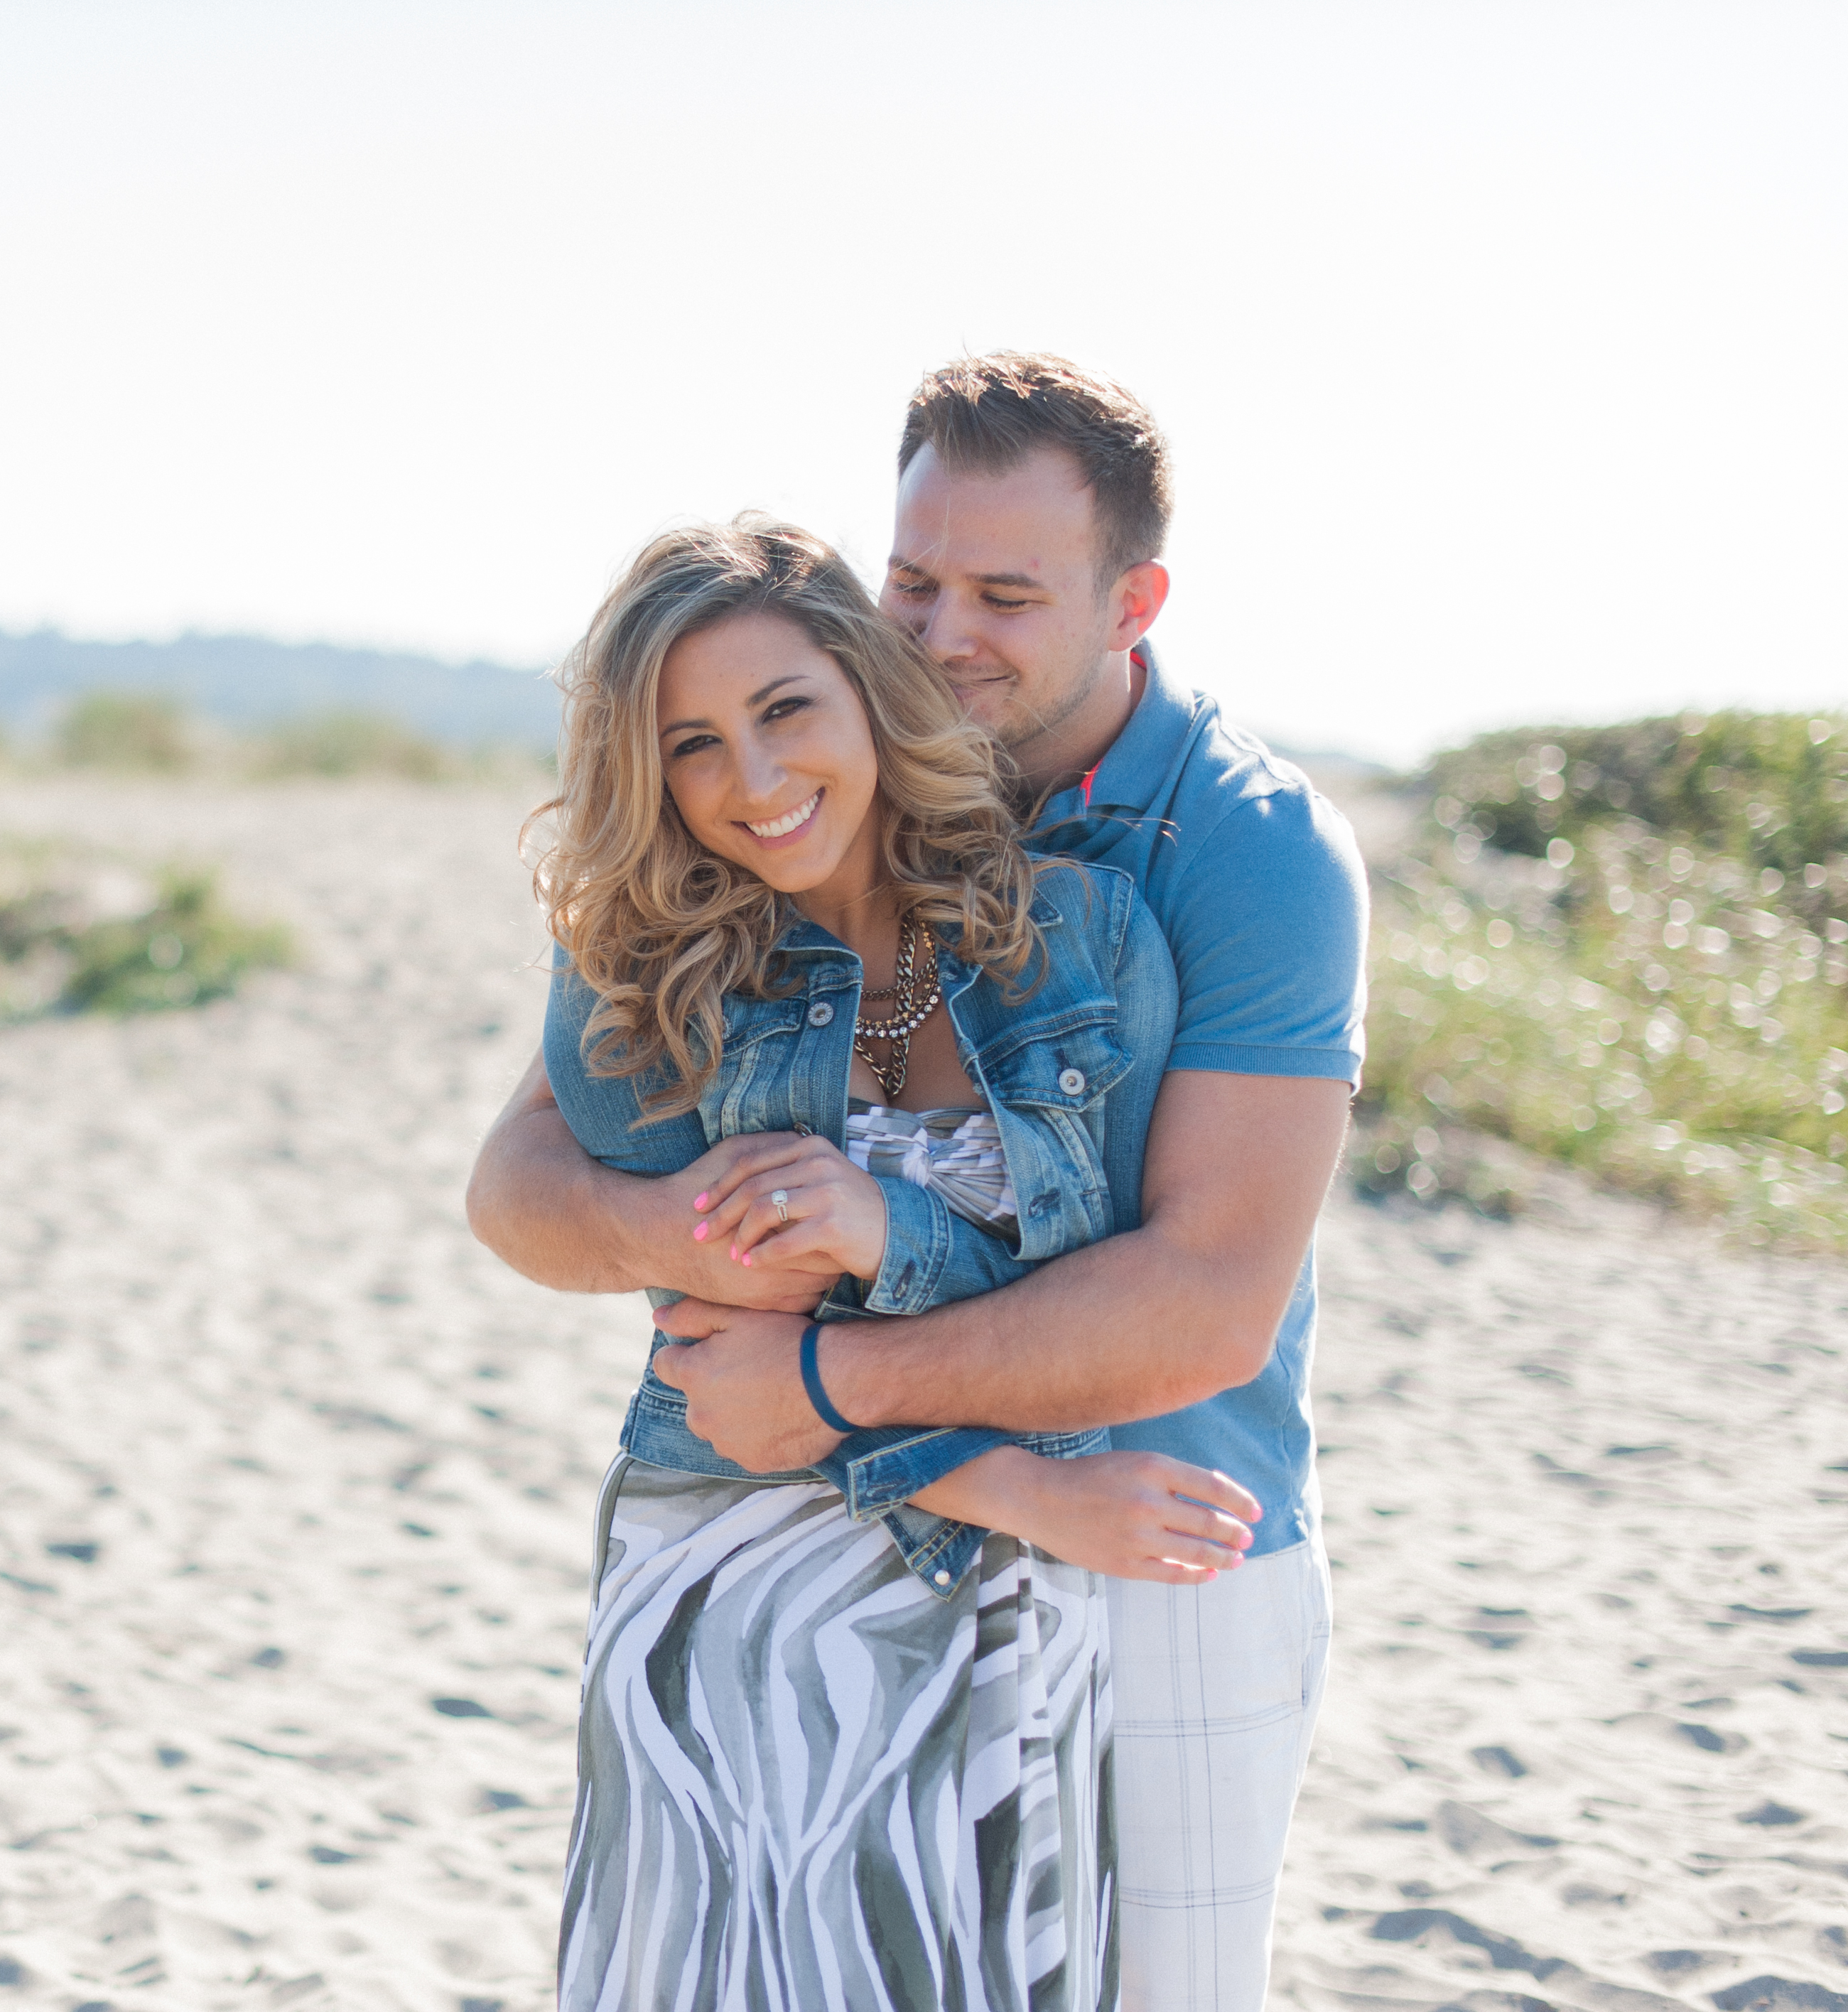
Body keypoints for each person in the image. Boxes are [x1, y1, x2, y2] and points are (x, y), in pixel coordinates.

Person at [472, 355, 1366, 2011]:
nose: (946, 632)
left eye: (1007, 594)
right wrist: (687, 1241)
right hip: (789, 1565)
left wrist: (820, 1379)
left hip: (1163, 1530)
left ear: (1132, 599)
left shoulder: (1229, 850)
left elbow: (1199, 1302)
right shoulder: (737, 874)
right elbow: (533, 1177)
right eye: (915, 579)